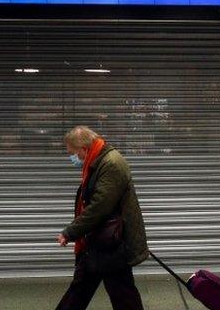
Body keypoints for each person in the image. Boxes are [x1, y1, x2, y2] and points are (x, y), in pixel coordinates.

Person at [56, 126, 149, 310]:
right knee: (90, 289)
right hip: (102, 241)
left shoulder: (111, 163)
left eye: (72, 153)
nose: (72, 158)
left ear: (84, 149)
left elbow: (100, 206)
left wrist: (71, 231)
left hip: (110, 243)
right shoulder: (99, 161)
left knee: (117, 293)